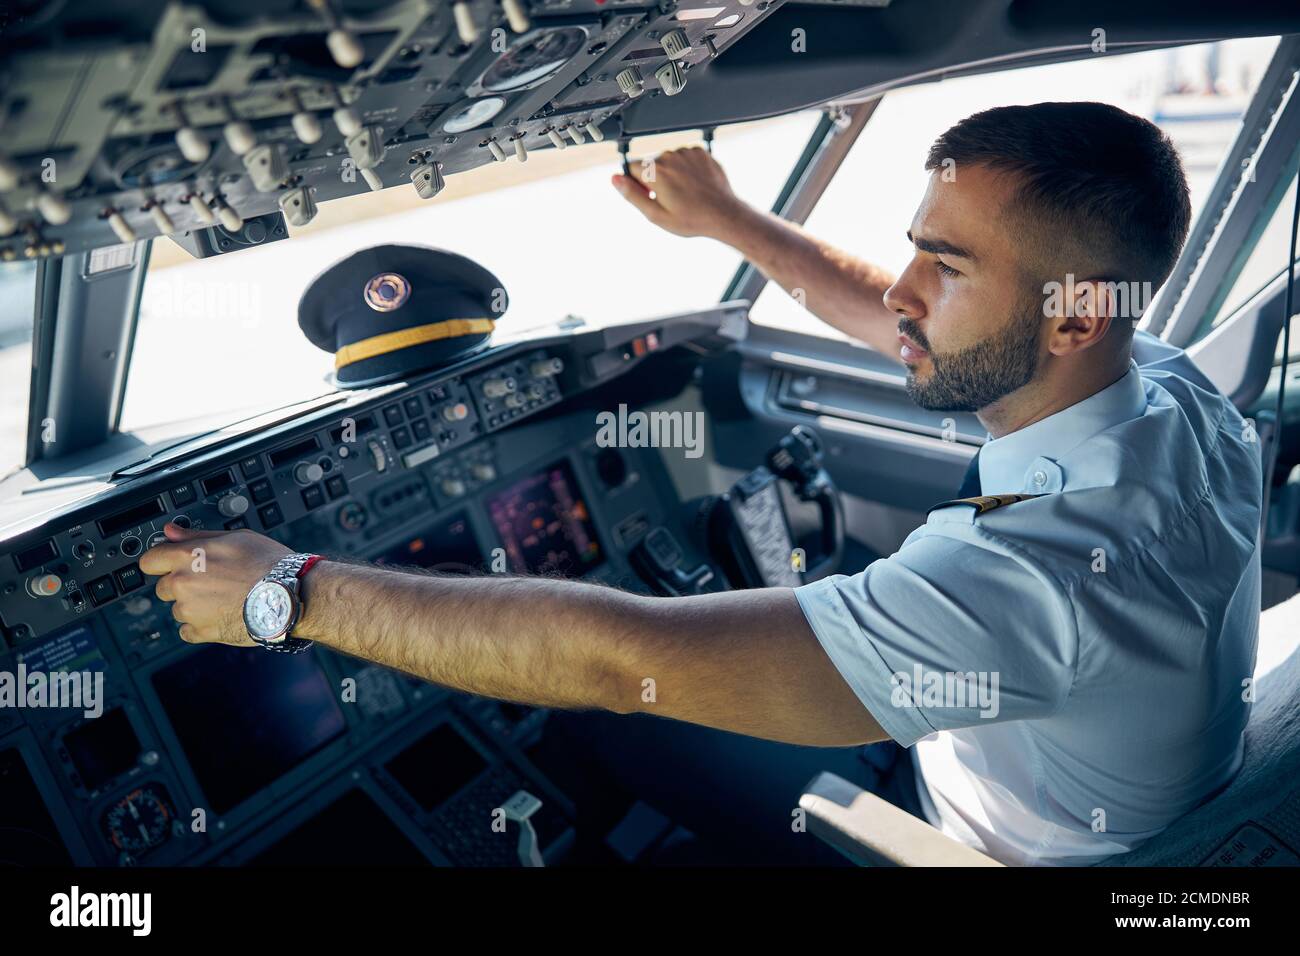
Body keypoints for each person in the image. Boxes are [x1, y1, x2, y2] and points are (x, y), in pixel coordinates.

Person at [140, 102, 1262, 866]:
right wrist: (729, 220)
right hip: (1018, 752)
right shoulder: (1163, 390)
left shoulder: (1038, 574)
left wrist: (290, 591)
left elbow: (623, 653)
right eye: (919, 245)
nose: (910, 291)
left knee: (607, 713)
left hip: (955, 834)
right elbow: (902, 321)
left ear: (1071, 313)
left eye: (949, 266)